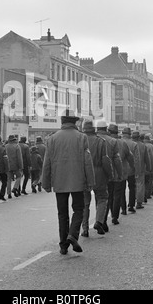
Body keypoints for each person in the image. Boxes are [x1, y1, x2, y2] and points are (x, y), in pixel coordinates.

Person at [42, 109, 95, 255]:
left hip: (59, 181)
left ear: (62, 122)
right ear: (75, 122)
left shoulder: (52, 139)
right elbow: (87, 162)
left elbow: (47, 162)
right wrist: (90, 180)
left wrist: (45, 182)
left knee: (62, 213)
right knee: (79, 209)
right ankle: (72, 234)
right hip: (78, 180)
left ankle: (63, 245)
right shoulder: (81, 137)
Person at [81, 120, 111, 236]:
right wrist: (110, 174)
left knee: (85, 202)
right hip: (99, 173)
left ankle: (85, 229)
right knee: (102, 197)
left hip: (84, 173)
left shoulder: (80, 140)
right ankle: (99, 221)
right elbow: (105, 160)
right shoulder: (100, 141)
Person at [104, 124, 134, 225]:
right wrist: (132, 166)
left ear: (109, 131)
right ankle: (115, 216)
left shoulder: (105, 141)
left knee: (109, 195)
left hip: (108, 173)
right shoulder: (122, 143)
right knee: (117, 195)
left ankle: (105, 217)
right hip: (120, 173)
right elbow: (130, 157)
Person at [96, 120, 122, 230]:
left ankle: (98, 220)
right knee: (107, 197)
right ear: (106, 129)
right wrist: (118, 173)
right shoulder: (112, 141)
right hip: (108, 173)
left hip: (94, 174)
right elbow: (117, 160)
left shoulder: (92, 139)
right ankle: (103, 221)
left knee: (98, 198)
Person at [121, 127, 140, 213]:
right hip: (131, 170)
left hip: (121, 170)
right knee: (132, 188)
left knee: (121, 189)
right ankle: (131, 205)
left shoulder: (119, 143)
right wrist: (136, 169)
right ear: (130, 135)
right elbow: (136, 159)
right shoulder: (134, 144)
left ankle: (123, 208)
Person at [132, 131, 151, 209]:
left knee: (132, 186)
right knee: (140, 185)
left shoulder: (128, 144)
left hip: (130, 169)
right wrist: (149, 168)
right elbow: (147, 158)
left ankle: (131, 202)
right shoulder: (143, 146)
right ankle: (139, 202)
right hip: (140, 168)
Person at [0, 135, 9, 201]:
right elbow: (5, 159)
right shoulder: (3, 148)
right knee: (4, 182)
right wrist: (7, 168)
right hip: (2, 167)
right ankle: (1, 195)